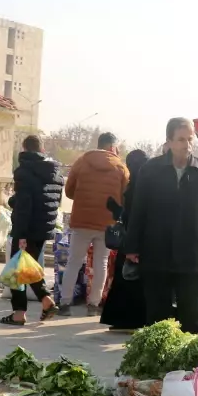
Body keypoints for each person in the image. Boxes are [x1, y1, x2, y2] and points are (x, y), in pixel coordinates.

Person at [124, 117, 198, 334]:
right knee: (158, 315)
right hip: (156, 250)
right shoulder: (151, 169)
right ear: (168, 141)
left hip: (190, 251)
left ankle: (188, 363)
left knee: (192, 314)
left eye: (190, 139)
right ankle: (160, 362)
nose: (186, 145)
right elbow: (139, 209)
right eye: (181, 139)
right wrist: (132, 245)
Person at [60, 131, 129, 317]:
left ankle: (65, 303)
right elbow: (124, 196)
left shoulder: (82, 161)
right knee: (101, 263)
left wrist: (83, 198)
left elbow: (69, 191)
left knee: (74, 261)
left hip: (82, 219)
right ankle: (94, 304)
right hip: (107, 223)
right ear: (113, 147)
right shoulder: (121, 167)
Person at [3, 135, 64, 325]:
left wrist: (20, 234)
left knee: (16, 269)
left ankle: (20, 313)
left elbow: (25, 204)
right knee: (27, 267)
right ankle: (45, 302)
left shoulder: (25, 170)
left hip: (27, 227)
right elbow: (50, 200)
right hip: (44, 226)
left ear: (24, 148)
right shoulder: (55, 172)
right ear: (42, 148)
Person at [101, 149, 151, 332]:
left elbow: (132, 214)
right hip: (142, 239)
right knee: (134, 280)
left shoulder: (135, 185)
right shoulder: (148, 183)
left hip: (132, 240)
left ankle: (126, 320)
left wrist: (116, 209)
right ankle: (134, 320)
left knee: (127, 279)